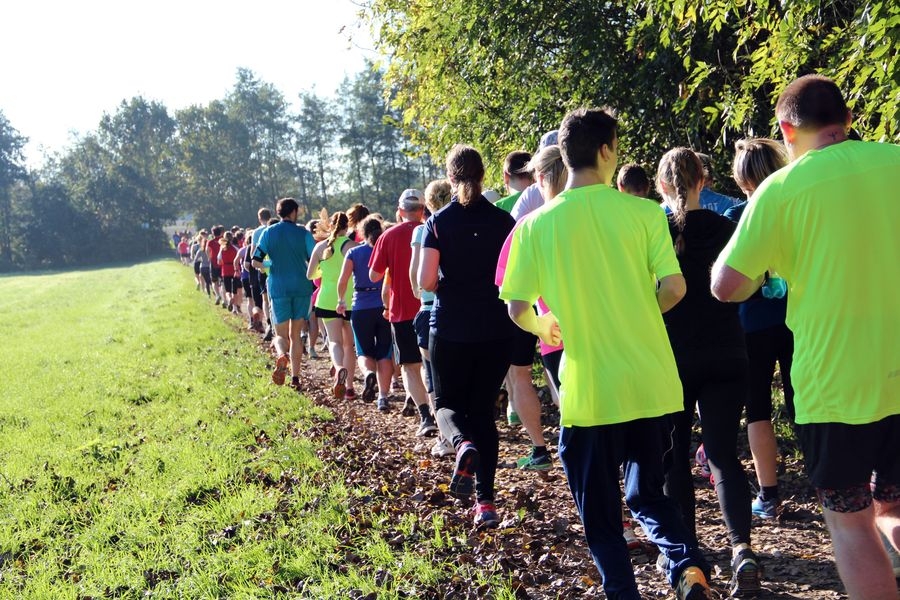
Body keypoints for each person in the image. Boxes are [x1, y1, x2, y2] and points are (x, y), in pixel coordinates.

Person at [499, 108, 713, 600]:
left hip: (589, 390)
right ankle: (685, 565)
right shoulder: (644, 213)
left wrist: (546, 325)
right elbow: (675, 287)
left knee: (599, 510)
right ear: (605, 151)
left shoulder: (533, 226)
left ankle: (622, 591)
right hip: (651, 381)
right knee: (649, 494)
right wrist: (638, 312)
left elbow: (516, 308)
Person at [711, 74, 900, 600]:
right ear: (848, 119)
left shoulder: (780, 190)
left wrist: (767, 269)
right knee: (894, 506)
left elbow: (725, 285)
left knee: (850, 521)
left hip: (835, 384)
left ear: (786, 130)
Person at [656, 147, 761, 597]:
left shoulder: (656, 234)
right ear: (703, 180)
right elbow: (750, 285)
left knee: (675, 457)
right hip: (727, 353)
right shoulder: (726, 228)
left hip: (672, 358)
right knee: (721, 455)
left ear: (662, 186)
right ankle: (742, 549)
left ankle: (690, 555)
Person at [418, 144, 515, 528]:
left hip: (451, 327)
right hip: (496, 328)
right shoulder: (504, 222)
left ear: (450, 177)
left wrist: (448, 284)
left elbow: (426, 280)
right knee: (483, 412)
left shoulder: (437, 223)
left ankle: (462, 444)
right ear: (483, 174)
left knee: (446, 405)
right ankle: (485, 503)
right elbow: (513, 275)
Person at [725, 137, 795, 520]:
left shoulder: (736, 216)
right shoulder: (796, 206)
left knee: (758, 408)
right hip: (797, 318)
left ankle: (769, 494)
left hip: (751, 324)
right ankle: (828, 486)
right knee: (805, 403)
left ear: (742, 178)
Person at [369, 189, 438, 438]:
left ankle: (425, 416)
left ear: (399, 211)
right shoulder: (433, 228)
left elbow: (374, 275)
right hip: (432, 306)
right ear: (422, 209)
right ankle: (441, 414)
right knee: (432, 365)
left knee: (410, 366)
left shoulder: (387, 236)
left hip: (401, 311)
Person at [409, 179, 455, 457]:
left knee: (434, 377)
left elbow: (417, 275)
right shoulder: (462, 222)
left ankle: (446, 437)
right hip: (464, 308)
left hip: (430, 308)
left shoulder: (423, 228)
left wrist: (420, 292)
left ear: (428, 203)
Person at [251, 198, 316, 389]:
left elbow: (255, 261)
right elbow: (314, 259)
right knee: (295, 335)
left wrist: (270, 264)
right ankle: (295, 378)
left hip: (279, 287)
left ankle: (281, 355)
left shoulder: (268, 232)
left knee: (280, 334)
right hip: (302, 287)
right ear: (293, 212)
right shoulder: (304, 233)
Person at [337, 215, 393, 410]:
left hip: (361, 307)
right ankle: (383, 397)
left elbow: (343, 281)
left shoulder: (353, 252)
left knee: (363, 351)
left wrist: (341, 300)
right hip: (385, 306)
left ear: (362, 233)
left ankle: (369, 374)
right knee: (385, 353)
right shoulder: (386, 250)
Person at [308, 212, 359, 399]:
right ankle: (349, 388)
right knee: (349, 346)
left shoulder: (320, 247)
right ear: (347, 227)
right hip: (350, 299)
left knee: (335, 341)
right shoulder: (353, 246)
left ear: (330, 226)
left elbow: (310, 275)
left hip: (327, 299)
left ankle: (338, 368)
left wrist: (324, 271)